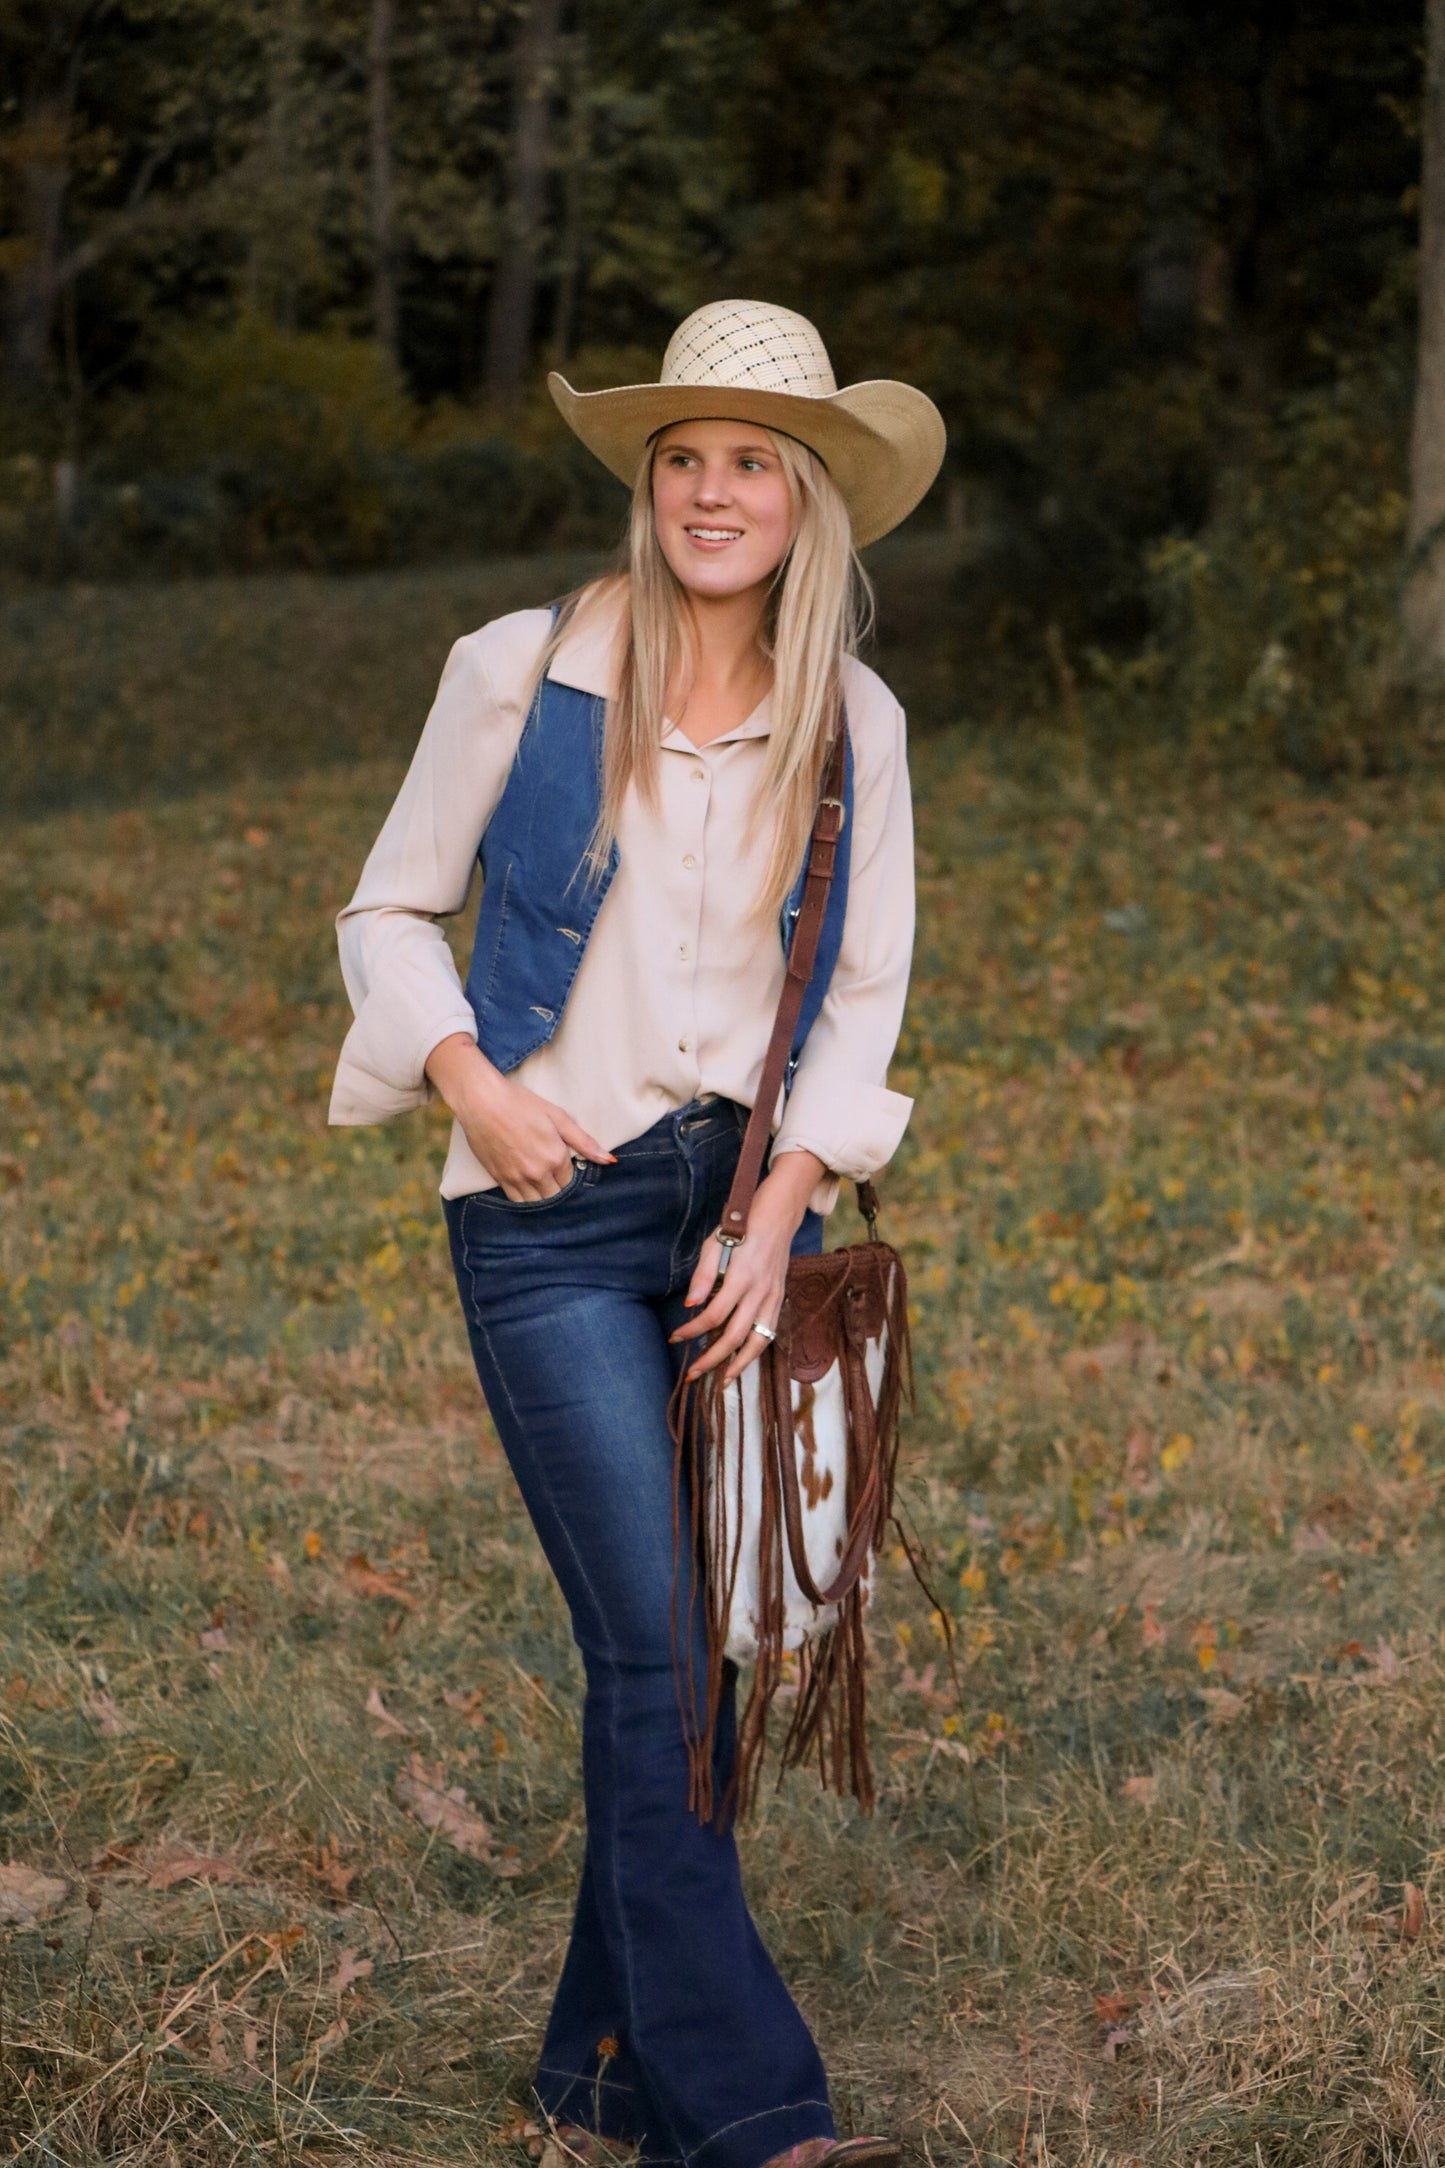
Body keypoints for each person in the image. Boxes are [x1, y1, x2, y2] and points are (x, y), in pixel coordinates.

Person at [329, 298, 945, 2168]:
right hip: (543, 1216)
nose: (710, 489)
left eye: (751, 459)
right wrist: (473, 1086)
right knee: (663, 1654)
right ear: (646, 485)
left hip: (719, 1226)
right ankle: (749, 2107)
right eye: (682, 458)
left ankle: (596, 2073)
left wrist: (776, 1217)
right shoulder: (522, 670)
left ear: (809, 498)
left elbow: (859, 998)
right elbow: (387, 910)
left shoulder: (849, 717)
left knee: (700, 1651)